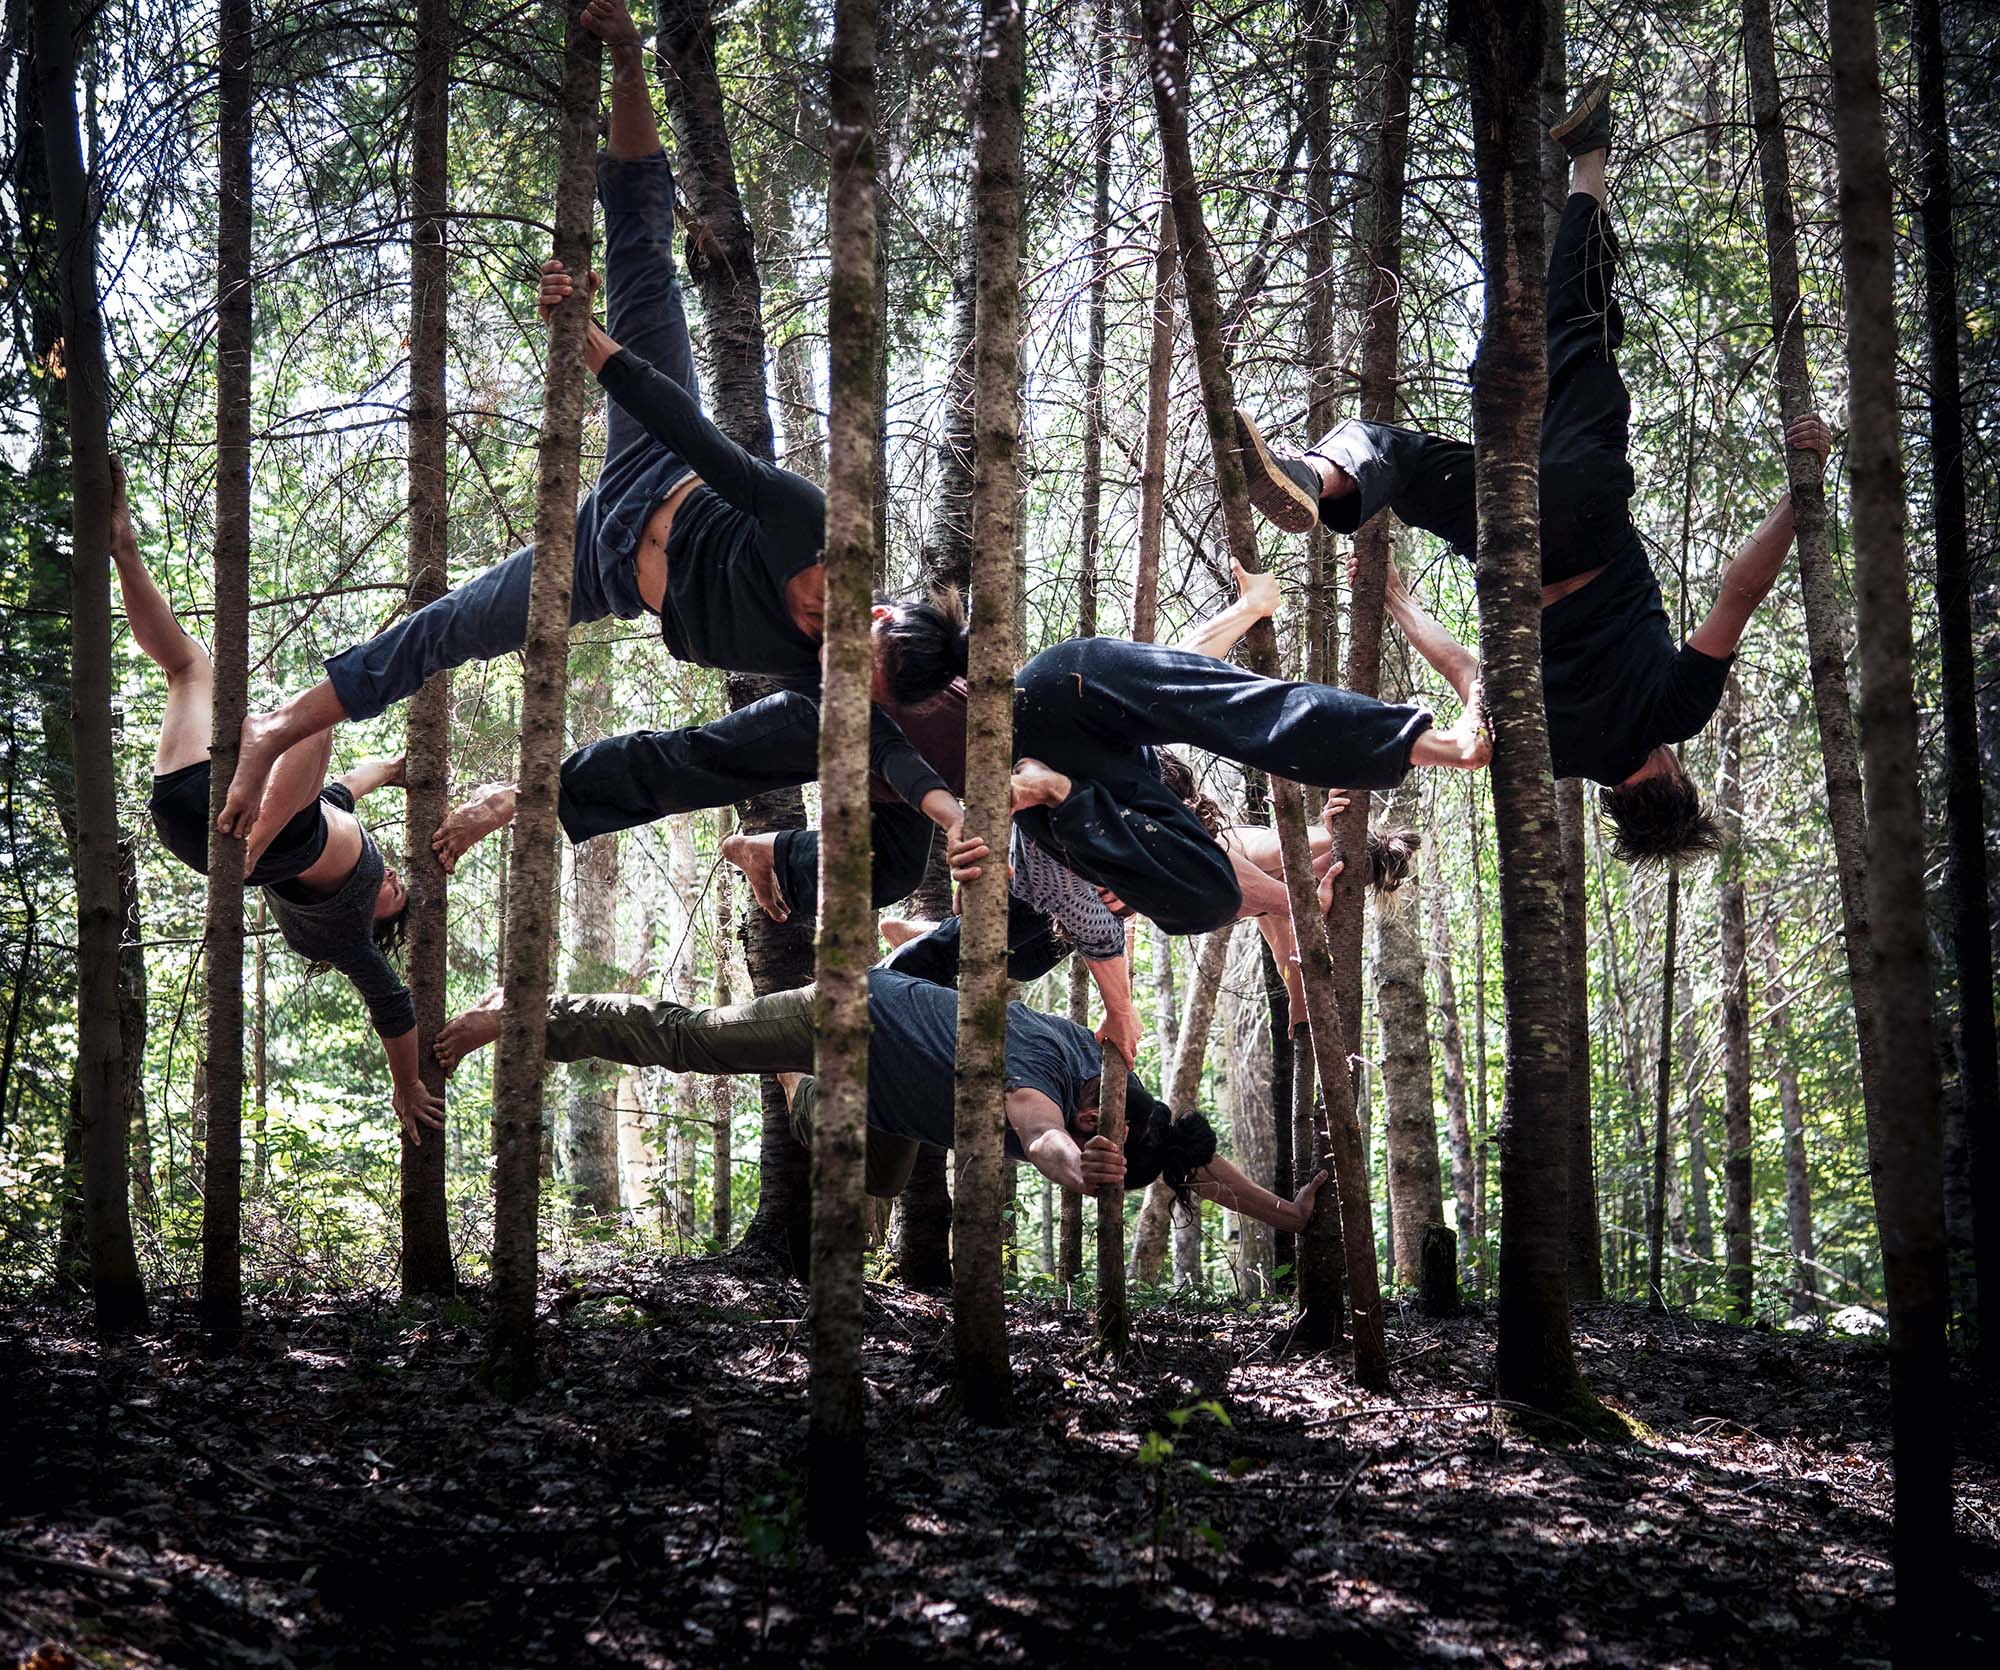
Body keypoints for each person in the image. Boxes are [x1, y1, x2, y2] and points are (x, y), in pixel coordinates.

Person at [217, 0, 965, 839]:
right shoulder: (817, 527)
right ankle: (279, 725)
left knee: (450, 629)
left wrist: (948, 807)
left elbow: (884, 748)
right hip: (658, 464)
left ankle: (284, 725)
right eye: (848, 657)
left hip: (603, 571)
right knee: (642, 259)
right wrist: (590, 343)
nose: (830, 667)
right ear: (874, 615)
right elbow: (697, 438)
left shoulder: (828, 675)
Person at [1231, 72, 1832, 866]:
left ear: (1676, 780)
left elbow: (1739, 592)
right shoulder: (1550, 755)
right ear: (1620, 804)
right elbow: (1470, 672)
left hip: (1584, 518)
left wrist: (1803, 491)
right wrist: (1400, 606)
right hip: (1505, 553)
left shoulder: (1677, 711)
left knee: (1577, 333)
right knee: (1397, 452)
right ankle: (1320, 480)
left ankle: (1590, 160)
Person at [433, 968, 1327, 1229]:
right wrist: (1070, 1169)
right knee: (693, 1040)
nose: (1092, 1124)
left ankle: (800, 1095)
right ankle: (521, 1015)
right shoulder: (1049, 1067)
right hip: (848, 1015)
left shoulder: (1133, 1114)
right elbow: (1041, 1132)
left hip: (897, 1104)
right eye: (1098, 1120)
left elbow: (1195, 1164)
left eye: (1104, 1134)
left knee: (886, 1187)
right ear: (1103, 1100)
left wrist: (1284, 1214)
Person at [110, 462, 443, 1145]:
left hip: (248, 832)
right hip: (196, 808)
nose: (392, 883)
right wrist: (410, 769)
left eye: (394, 899)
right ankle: (124, 549)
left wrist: (405, 1083)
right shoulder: (325, 806)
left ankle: (252, 836)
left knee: (321, 716)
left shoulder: (343, 933)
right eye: (399, 880)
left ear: (377, 919)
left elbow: (394, 1006)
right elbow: (361, 778)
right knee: (189, 667)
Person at [941, 560, 1485, 942]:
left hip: (1071, 793)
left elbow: (1182, 682)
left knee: (1193, 699)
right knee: (1201, 700)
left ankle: (1440, 743)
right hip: (1068, 782)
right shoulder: (1185, 835)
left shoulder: (1139, 822)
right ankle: (1440, 743)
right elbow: (1186, 683)